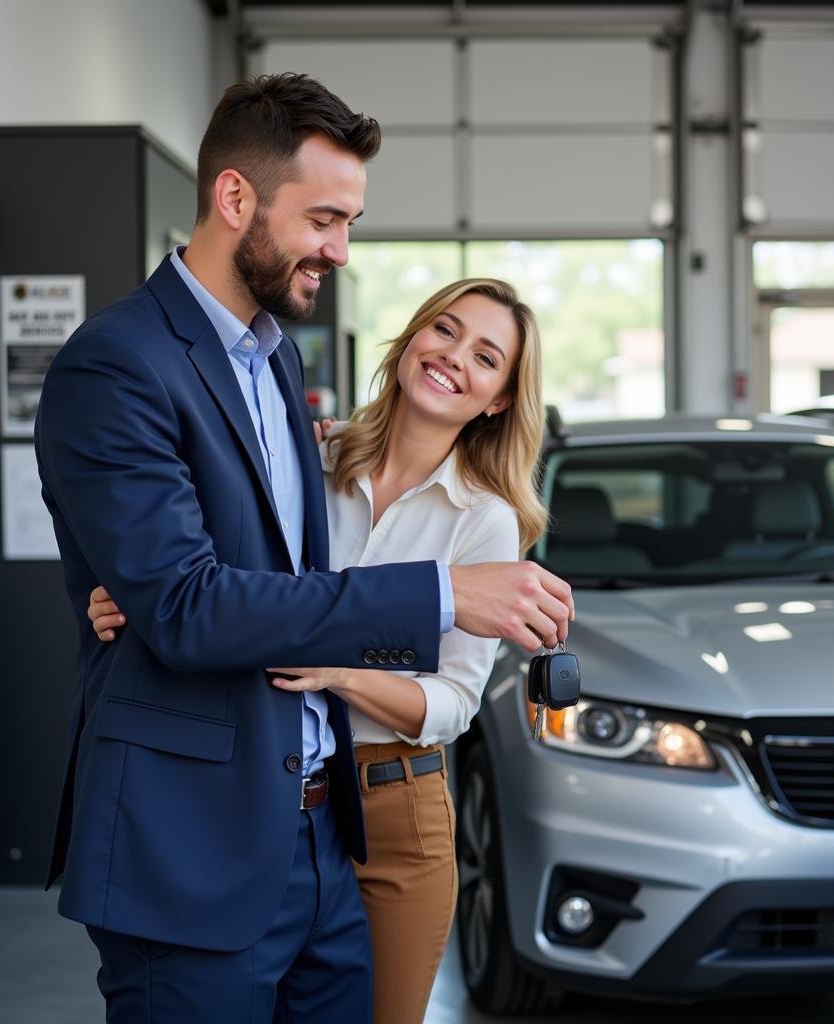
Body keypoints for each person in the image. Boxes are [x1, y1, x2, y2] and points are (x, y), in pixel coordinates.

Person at [34, 73, 572, 1024]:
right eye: (325, 218)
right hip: (193, 845)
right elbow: (189, 605)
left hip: (326, 835)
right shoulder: (117, 362)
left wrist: (161, 593)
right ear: (235, 197)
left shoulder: (276, 357)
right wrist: (443, 595)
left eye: (350, 222)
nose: (341, 249)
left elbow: (257, 572)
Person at [90, 275, 547, 1024]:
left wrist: (338, 670)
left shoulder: (486, 522)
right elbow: (206, 576)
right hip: (283, 790)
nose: (454, 356)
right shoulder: (311, 458)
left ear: (498, 398)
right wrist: (126, 594)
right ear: (410, 342)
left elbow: (453, 703)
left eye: (486, 356)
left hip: (397, 805)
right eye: (445, 330)